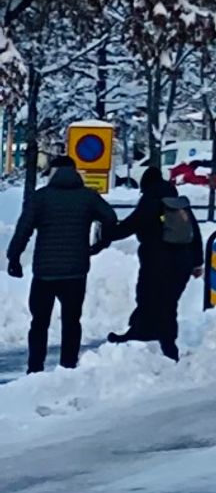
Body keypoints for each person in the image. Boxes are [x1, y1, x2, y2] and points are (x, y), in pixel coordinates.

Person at [7, 152, 117, 372]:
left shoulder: (41, 197)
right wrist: (100, 244)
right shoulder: (88, 197)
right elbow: (110, 218)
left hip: (44, 272)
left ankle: (35, 368)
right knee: (71, 321)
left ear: (54, 173)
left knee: (39, 322)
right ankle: (68, 365)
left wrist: (14, 257)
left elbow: (23, 229)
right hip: (75, 271)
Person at [107, 166, 203, 360]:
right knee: (165, 302)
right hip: (182, 262)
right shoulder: (179, 203)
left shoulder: (150, 201)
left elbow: (131, 225)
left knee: (151, 299)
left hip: (157, 262)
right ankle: (141, 333)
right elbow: (195, 232)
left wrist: (107, 233)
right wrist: (197, 263)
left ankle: (168, 348)